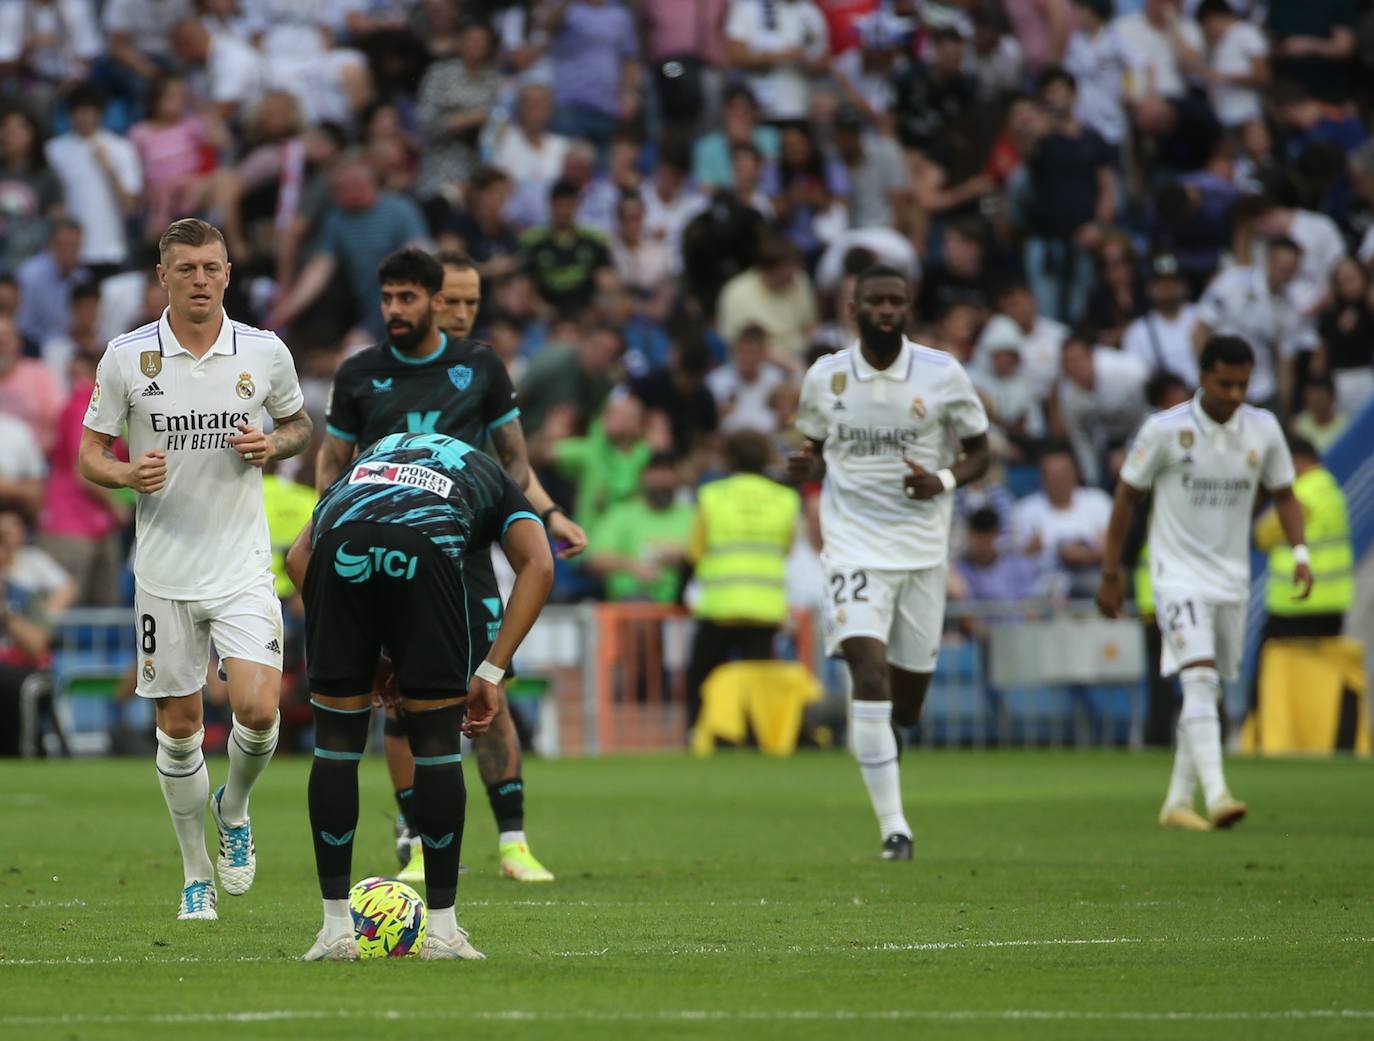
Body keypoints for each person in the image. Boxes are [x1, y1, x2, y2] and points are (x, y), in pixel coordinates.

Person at [315, 248, 586, 885]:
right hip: (390, 555)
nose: (395, 310)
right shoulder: (359, 373)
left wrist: (539, 513)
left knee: (487, 691)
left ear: (433, 301)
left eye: (408, 298)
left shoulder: (479, 365)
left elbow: (512, 462)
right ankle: (414, 838)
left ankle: (513, 841)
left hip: (462, 554)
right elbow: (332, 465)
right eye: (387, 299)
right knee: (400, 701)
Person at [78, 218, 313, 919]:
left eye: (212, 267)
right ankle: (193, 873)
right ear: (164, 276)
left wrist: (272, 441)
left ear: (229, 274)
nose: (201, 280)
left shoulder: (265, 352)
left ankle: (233, 807)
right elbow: (90, 451)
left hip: (242, 565)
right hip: (164, 569)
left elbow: (300, 425)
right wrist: (125, 473)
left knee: (258, 708)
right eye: (187, 269)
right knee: (179, 728)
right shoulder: (126, 357)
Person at [285, 431, 554, 960]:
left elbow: (299, 557)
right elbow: (538, 564)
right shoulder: (489, 473)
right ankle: (443, 931)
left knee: (336, 748)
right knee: (435, 745)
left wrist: (368, 655)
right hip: (424, 549)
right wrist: (493, 669)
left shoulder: (369, 461)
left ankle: (335, 929)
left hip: (341, 545)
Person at [789, 264, 990, 860]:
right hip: (852, 546)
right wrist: (805, 468)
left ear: (909, 308)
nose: (885, 309)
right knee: (868, 672)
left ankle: (879, 731)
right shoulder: (826, 378)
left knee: (905, 703)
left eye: (896, 300)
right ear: (852, 309)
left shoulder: (943, 374)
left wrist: (945, 478)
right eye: (874, 300)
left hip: (923, 553)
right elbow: (814, 452)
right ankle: (894, 830)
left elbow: (981, 451)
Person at [1097, 335, 1311, 832]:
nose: (1236, 394)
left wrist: (1300, 553)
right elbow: (1126, 498)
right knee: (1198, 678)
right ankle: (1217, 795)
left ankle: (1176, 801)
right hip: (1174, 576)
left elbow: (1284, 493)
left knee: (1207, 685)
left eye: (1243, 384)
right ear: (1202, 377)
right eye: (1226, 383)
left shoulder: (1263, 429)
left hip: (1231, 578)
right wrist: (1113, 573)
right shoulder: (1165, 431)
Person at [685, 430, 800, 727]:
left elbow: (695, 550)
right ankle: (756, 736)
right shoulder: (785, 499)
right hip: (766, 606)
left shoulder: (712, 495)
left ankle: (701, 732)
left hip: (720, 605)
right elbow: (786, 548)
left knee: (705, 675)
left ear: (729, 458)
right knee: (758, 683)